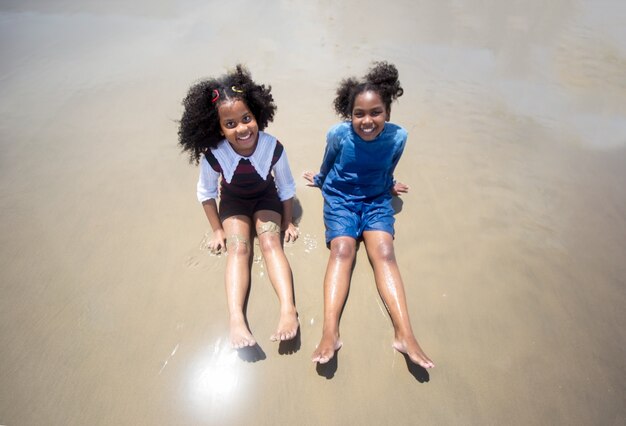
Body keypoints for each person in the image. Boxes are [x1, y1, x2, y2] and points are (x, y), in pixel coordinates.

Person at [303, 61, 434, 369]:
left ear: (387, 112)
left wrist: (388, 185)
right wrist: (321, 180)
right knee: (342, 249)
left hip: (375, 199)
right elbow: (328, 160)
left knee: (385, 253)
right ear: (349, 115)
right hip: (340, 198)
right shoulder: (339, 134)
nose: (367, 120)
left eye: (376, 112)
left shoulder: (398, 136)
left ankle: (405, 334)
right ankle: (329, 332)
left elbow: (390, 164)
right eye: (359, 114)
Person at [179, 65, 299, 349]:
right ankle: (236, 320)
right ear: (218, 128)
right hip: (233, 202)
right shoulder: (215, 156)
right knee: (238, 248)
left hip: (266, 198)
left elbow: (286, 188)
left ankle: (288, 309)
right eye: (230, 124)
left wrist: (289, 220)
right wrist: (216, 229)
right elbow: (206, 193)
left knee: (271, 242)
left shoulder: (273, 148)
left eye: (246, 119)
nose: (242, 129)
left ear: (257, 114)